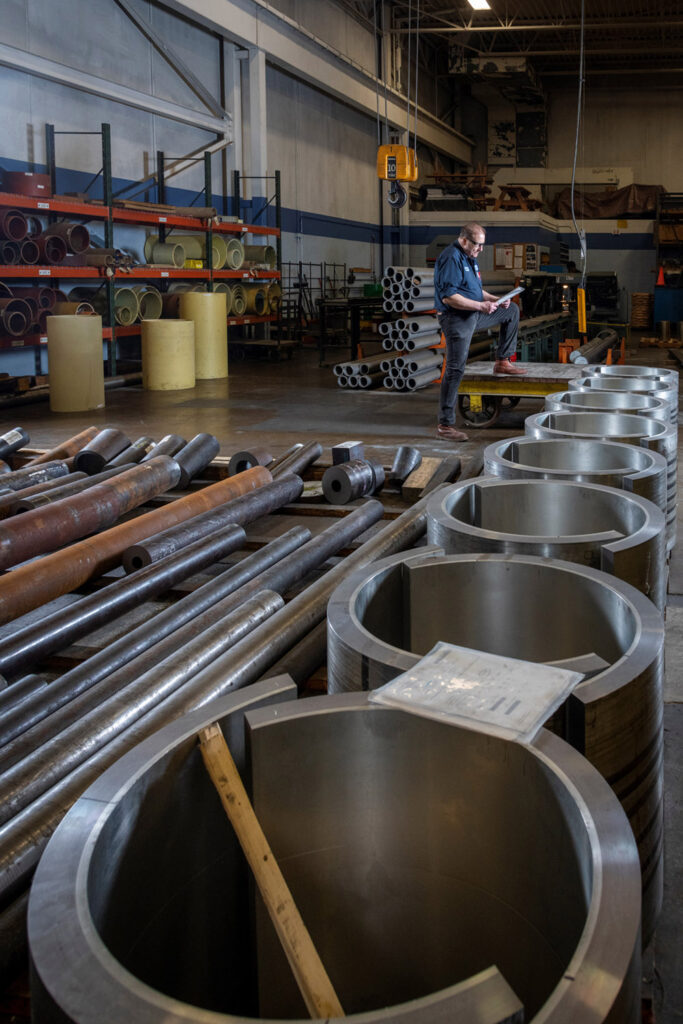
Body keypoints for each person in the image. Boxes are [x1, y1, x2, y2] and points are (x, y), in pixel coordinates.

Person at [434, 222, 525, 442]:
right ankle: (445, 426)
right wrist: (481, 307)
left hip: (473, 313)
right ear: (464, 239)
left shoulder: (469, 257)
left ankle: (502, 361)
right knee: (455, 369)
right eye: (478, 244)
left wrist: (494, 299)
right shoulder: (451, 258)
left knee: (511, 310)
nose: (481, 249)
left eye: (483, 245)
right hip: (456, 318)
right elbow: (449, 297)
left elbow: (474, 289)